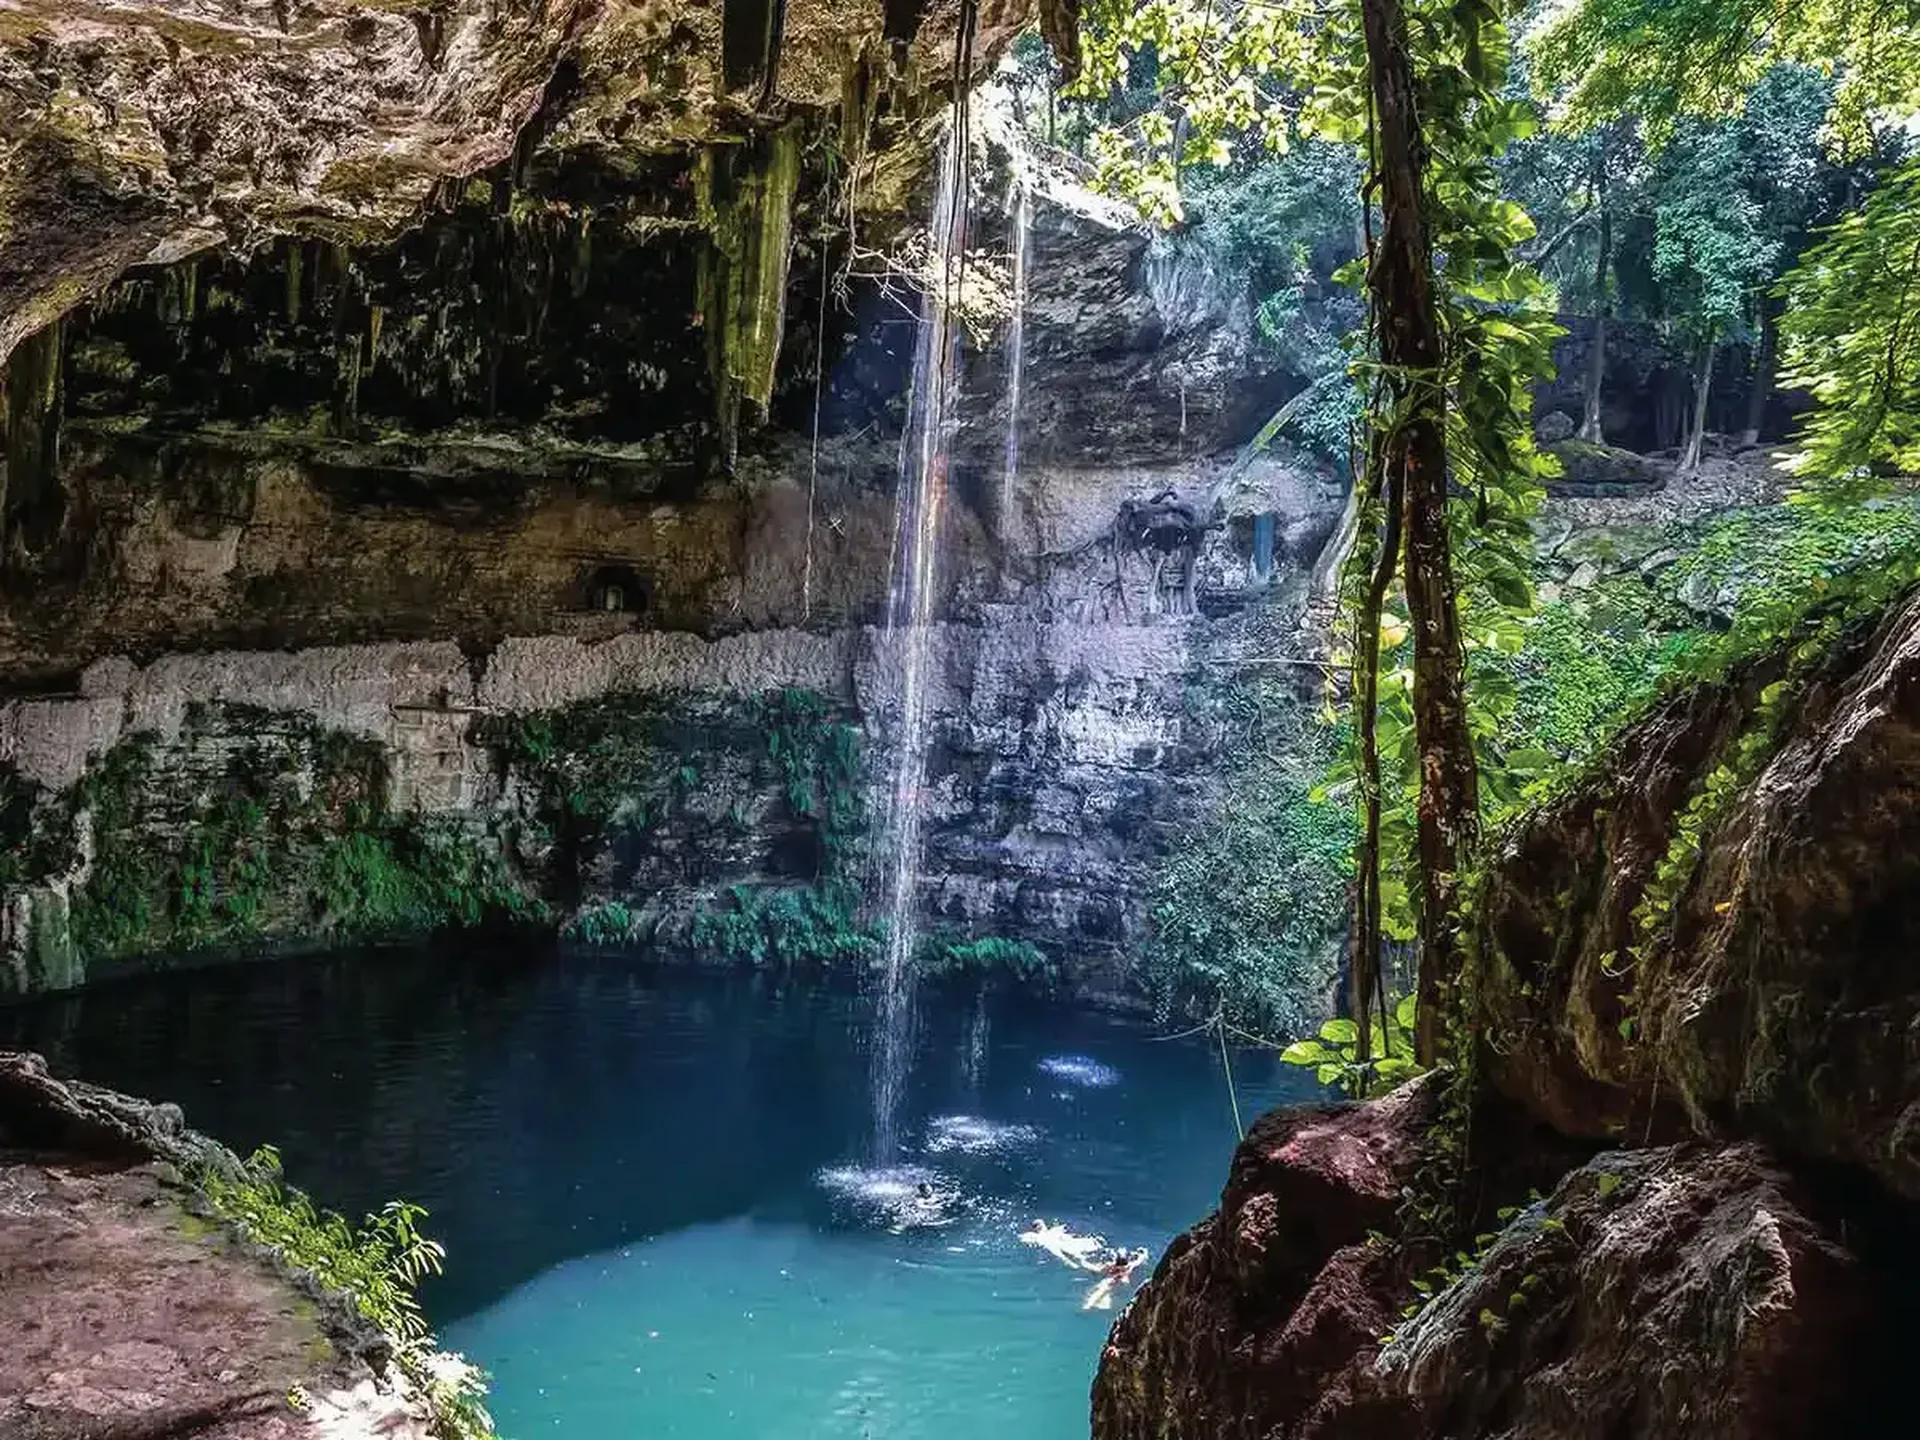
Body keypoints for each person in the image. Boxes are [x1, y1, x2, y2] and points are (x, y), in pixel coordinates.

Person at [1020, 1219, 1106, 1270]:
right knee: (1078, 1258)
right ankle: (1098, 1268)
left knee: (1075, 1259)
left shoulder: (1043, 1234)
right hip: (1062, 1245)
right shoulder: (1052, 1231)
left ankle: (1098, 1268)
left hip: (1060, 1245)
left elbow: (1025, 1238)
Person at [1081, 1247, 1149, 1311]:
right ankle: (1089, 1304)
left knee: (1119, 1283)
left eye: (1122, 1267)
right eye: (1119, 1267)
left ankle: (1091, 1304)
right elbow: (1100, 1269)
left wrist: (1143, 1254)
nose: (1120, 1268)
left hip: (1119, 1279)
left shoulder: (1129, 1266)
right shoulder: (1113, 1266)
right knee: (1104, 1287)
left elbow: (1138, 1261)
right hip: (1112, 1279)